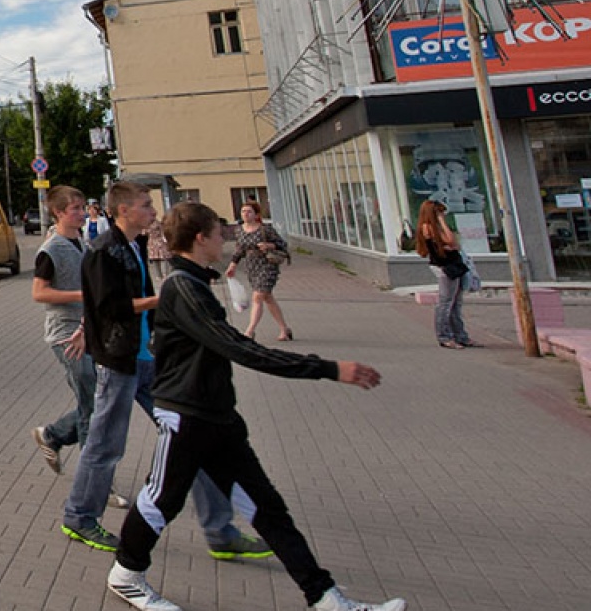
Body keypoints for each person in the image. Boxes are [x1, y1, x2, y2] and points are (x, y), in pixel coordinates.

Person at [105, 201, 404, 611]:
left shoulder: (194, 283)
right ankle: (126, 574)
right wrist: (327, 368)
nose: (224, 238)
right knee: (161, 500)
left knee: (268, 510)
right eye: (219, 232)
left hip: (217, 418)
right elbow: (239, 348)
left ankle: (326, 598)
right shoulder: (183, 287)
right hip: (187, 417)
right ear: (200, 238)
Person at [62, 181, 267, 560]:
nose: (153, 211)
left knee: (192, 435)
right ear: (124, 210)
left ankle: (219, 530)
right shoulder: (103, 251)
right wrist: (162, 299)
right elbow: (108, 308)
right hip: (119, 363)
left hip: (148, 359)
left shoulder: (135, 245)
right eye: (145, 205)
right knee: (105, 445)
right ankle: (80, 517)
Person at [30, 185, 95, 476]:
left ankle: (53, 435)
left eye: (83, 208)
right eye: (75, 209)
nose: (82, 214)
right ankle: (92, 478)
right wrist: (81, 295)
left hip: (88, 330)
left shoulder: (83, 242)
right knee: (91, 401)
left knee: (94, 400)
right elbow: (39, 293)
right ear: (58, 213)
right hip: (65, 334)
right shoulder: (51, 249)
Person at [227, 200, 293, 342]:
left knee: (257, 297)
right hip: (252, 266)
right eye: (243, 211)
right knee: (267, 297)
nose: (245, 214)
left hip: (267, 264)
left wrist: (269, 245)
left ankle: (249, 331)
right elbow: (239, 250)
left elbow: (282, 244)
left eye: (249, 211)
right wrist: (232, 265)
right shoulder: (239, 230)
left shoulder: (265, 229)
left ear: (256, 215)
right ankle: (284, 329)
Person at [414, 200, 471, 349]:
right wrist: (441, 222)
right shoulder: (428, 227)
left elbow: (455, 244)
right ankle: (444, 336)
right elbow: (450, 241)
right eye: (440, 212)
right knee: (445, 303)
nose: (443, 215)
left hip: (454, 265)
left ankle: (460, 335)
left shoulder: (435, 227)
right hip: (445, 267)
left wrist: (452, 245)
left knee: (456, 303)